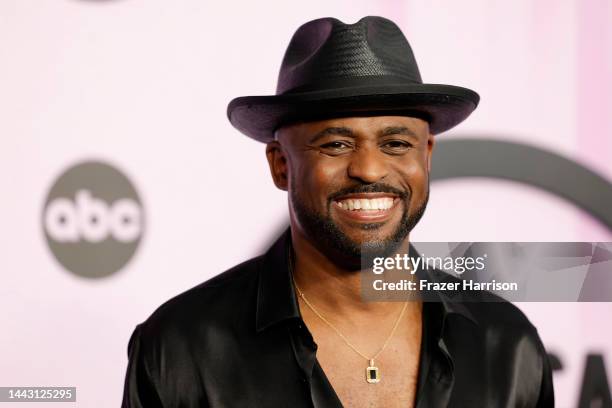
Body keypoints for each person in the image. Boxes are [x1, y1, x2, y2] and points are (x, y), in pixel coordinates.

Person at [121, 16, 554, 407]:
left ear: (427, 155)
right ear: (280, 165)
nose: (368, 170)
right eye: (336, 144)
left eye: (396, 144)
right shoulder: (180, 348)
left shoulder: (508, 346)